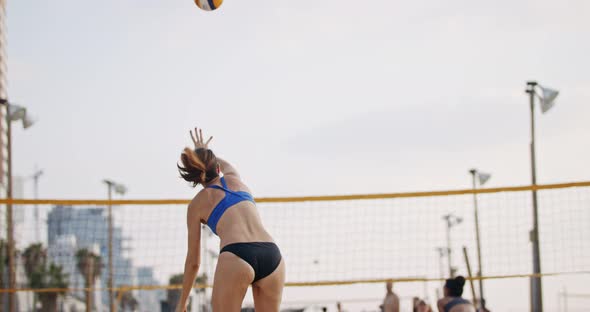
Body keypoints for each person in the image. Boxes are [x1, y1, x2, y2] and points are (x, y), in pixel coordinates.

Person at [175, 128, 285, 312]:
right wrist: (204, 151)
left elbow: (194, 262)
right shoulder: (235, 178)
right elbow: (221, 165)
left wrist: (182, 302)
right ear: (217, 168)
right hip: (272, 255)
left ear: (195, 178)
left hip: (237, 254)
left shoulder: (197, 204)